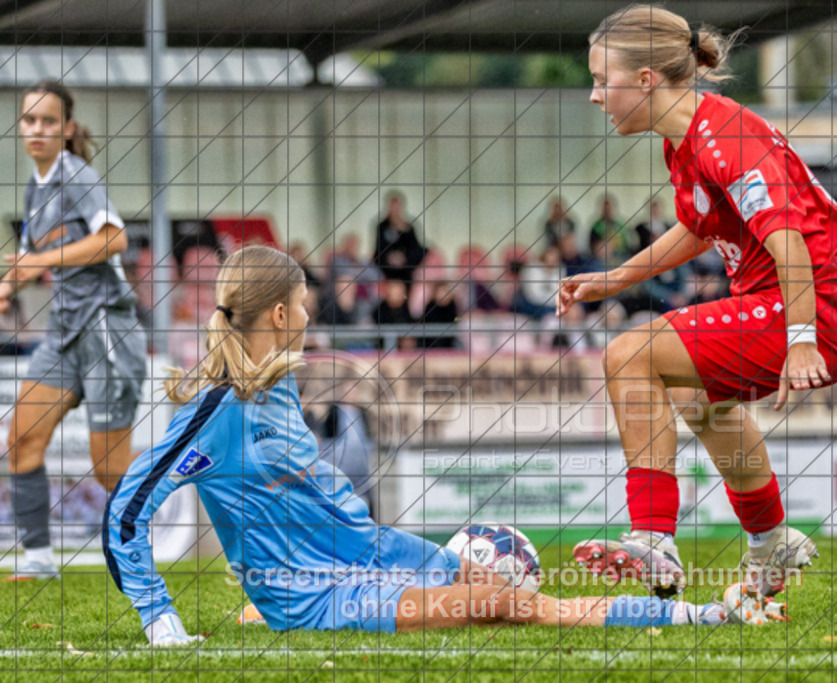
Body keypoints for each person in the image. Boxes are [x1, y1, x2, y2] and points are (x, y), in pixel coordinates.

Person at [102, 246, 776, 647]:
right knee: (509, 604)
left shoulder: (275, 384)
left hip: (376, 552)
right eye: (304, 304)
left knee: (510, 591)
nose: (310, 316)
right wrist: (161, 617)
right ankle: (716, 613)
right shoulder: (215, 409)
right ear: (279, 314)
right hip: (323, 599)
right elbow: (127, 512)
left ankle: (704, 611)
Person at [559, 6, 837, 605]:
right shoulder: (688, 139)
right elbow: (702, 228)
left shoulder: (727, 139)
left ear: (647, 80)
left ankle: (653, 537)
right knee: (696, 399)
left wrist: (802, 337)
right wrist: (617, 277)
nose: (595, 96)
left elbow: (791, 246)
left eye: (603, 80)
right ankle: (770, 538)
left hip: (811, 307)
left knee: (630, 353)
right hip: (786, 301)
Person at [0, 80, 146, 581]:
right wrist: (9, 281)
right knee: (21, 438)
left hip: (107, 329)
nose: (36, 129)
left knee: (109, 469)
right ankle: (39, 561)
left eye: (47, 121)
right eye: (28, 120)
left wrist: (37, 259)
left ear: (66, 129)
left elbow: (115, 239)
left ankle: (145, 549)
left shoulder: (78, 176)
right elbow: (35, 263)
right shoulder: (34, 188)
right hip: (64, 333)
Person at [373, 191, 425, 285]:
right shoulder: (382, 226)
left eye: (397, 207)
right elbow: (379, 249)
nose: (395, 210)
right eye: (392, 207)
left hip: (407, 265)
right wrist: (389, 257)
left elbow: (416, 249)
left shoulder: (409, 227)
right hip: (387, 265)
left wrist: (404, 257)